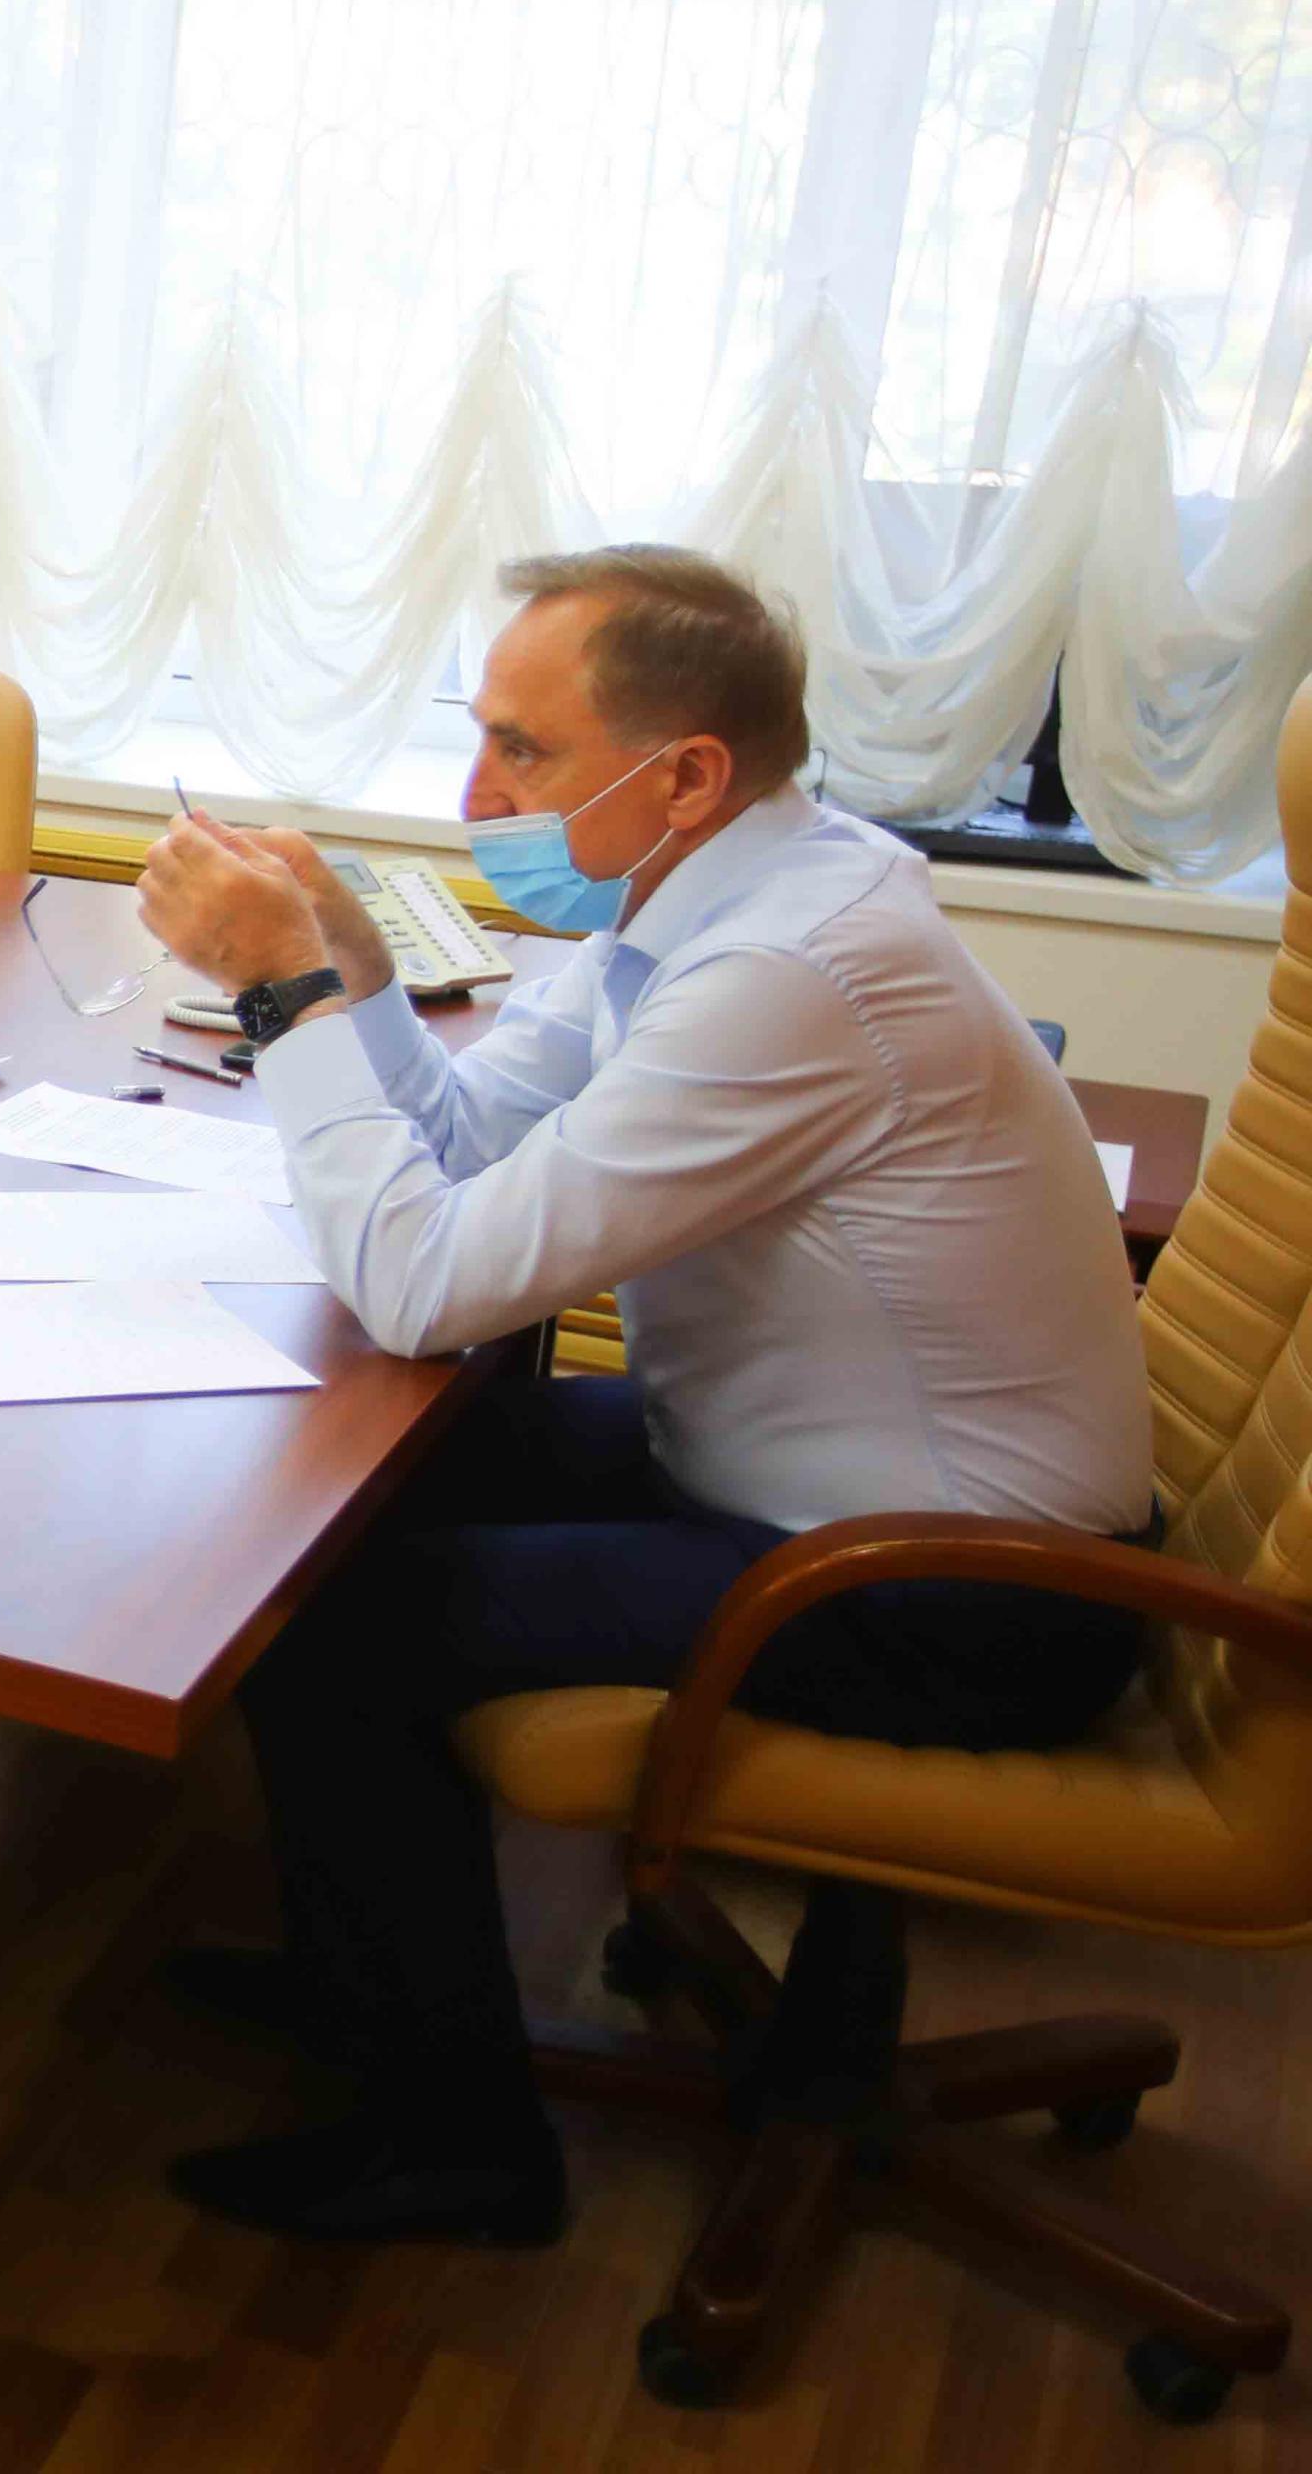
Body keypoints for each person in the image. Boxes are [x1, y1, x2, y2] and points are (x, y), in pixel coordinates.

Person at [128, 545, 1153, 2247]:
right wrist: (358, 965)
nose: (477, 794)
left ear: (685, 775)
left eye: (522, 749)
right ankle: (372, 1973)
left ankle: (458, 2142)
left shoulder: (790, 975)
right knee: (350, 1496)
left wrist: (283, 993)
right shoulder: (724, 896)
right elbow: (470, 1143)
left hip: (964, 1585)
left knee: (344, 1618)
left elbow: (424, 1281)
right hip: (800, 1476)